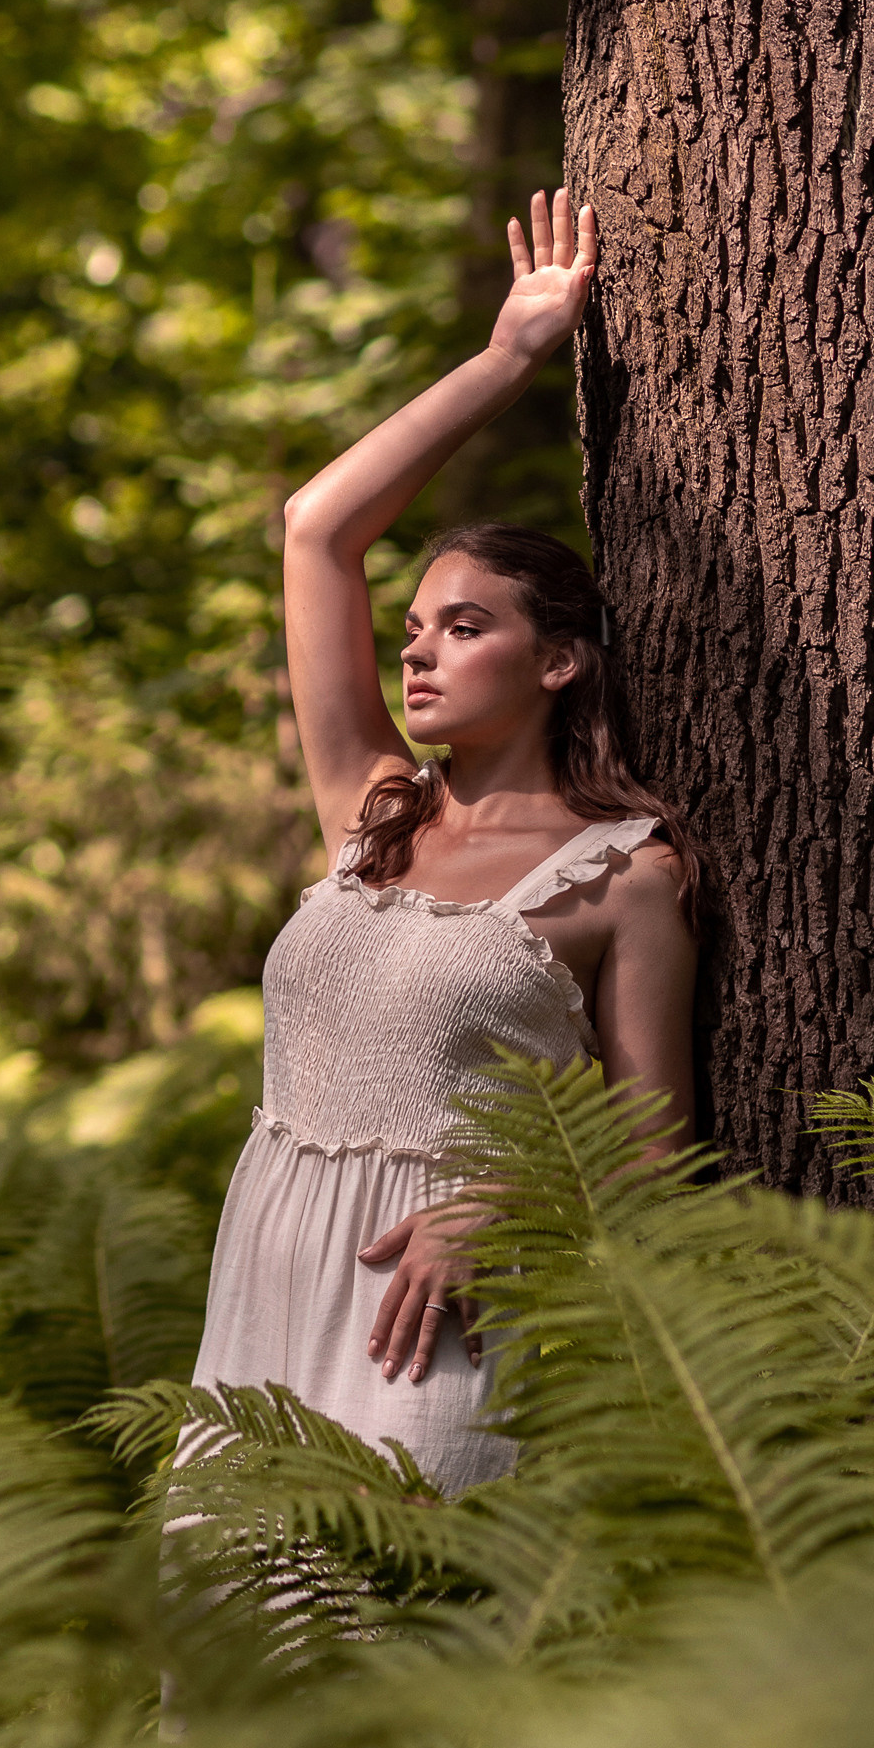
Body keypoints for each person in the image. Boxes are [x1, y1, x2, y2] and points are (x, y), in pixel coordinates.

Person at [186, 187, 701, 1497]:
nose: (417, 649)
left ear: (560, 663)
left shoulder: (622, 875)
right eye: (414, 628)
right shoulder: (371, 814)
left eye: (464, 627)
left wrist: (507, 1214)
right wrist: (506, 356)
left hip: (444, 1321)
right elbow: (315, 529)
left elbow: (650, 1151)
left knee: (410, 1654)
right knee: (240, 1667)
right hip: (262, 1296)